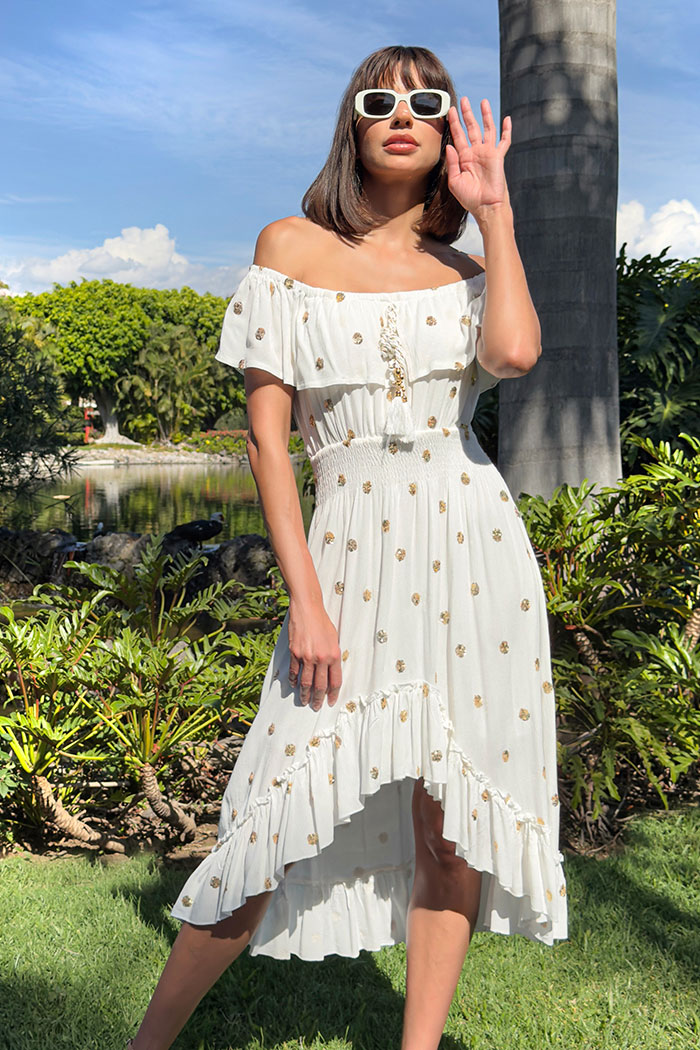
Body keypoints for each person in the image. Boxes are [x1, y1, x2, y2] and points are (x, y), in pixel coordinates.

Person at [128, 44, 568, 1050]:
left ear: (447, 130)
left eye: (426, 102)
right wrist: (306, 599)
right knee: (272, 810)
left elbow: (513, 355)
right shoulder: (289, 248)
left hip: (474, 551)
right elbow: (266, 443)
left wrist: (496, 212)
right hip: (348, 554)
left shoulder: (468, 271)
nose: (402, 115)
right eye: (380, 100)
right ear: (353, 124)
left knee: (450, 828)